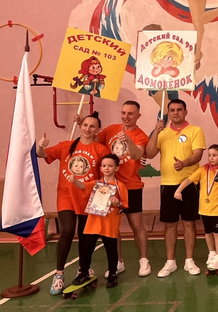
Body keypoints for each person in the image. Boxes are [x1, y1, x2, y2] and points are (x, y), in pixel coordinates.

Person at [37, 113, 109, 294]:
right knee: (67, 231)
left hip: (88, 198)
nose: (87, 129)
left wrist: (104, 201)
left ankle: (83, 269)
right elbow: (43, 155)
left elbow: (106, 176)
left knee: (86, 237)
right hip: (66, 196)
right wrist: (41, 147)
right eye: (85, 125)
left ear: (97, 130)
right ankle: (59, 274)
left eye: (92, 126)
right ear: (80, 126)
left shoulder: (100, 150)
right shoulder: (66, 146)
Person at [145, 98, 206, 278]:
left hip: (190, 183)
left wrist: (184, 163)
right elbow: (149, 153)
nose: (176, 113)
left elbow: (197, 155)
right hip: (168, 185)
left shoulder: (195, 130)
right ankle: (170, 262)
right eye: (172, 110)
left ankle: (189, 260)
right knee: (170, 224)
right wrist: (155, 132)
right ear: (168, 113)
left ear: (185, 112)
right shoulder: (162, 133)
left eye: (179, 110)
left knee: (189, 222)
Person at [94, 101, 151, 277]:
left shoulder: (141, 135)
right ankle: (118, 262)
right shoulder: (111, 129)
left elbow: (137, 154)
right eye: (124, 113)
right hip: (109, 186)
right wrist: (82, 123)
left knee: (136, 225)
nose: (126, 116)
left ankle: (144, 261)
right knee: (112, 227)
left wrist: (128, 141)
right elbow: (94, 141)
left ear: (138, 116)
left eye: (130, 114)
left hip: (131, 186)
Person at [69, 154, 127, 288]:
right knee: (86, 249)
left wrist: (117, 202)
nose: (107, 168)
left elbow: (123, 205)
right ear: (101, 168)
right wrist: (74, 180)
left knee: (111, 251)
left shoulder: (120, 186)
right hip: (93, 223)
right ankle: (84, 272)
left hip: (110, 224)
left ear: (116, 168)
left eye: (110, 166)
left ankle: (112, 273)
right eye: (104, 166)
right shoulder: (96, 184)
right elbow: (82, 186)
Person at [175, 144, 218, 272]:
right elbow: (189, 180)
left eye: (214, 155)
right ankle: (211, 253)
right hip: (204, 208)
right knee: (208, 232)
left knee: (217, 232)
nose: (211, 158)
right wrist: (178, 190)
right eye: (209, 155)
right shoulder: (203, 170)